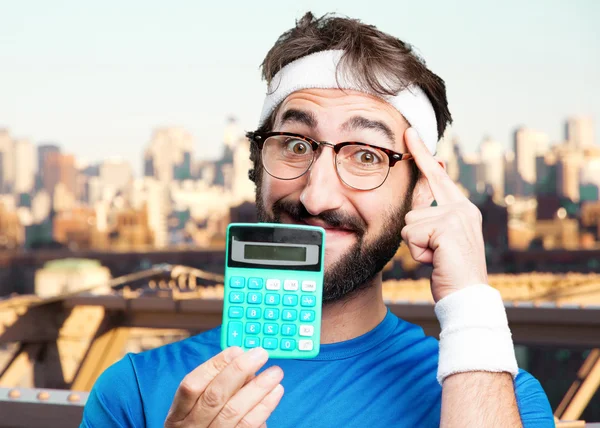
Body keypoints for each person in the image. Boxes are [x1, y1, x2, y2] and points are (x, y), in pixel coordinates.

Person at [81, 12, 554, 428]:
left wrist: (470, 302)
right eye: (295, 144)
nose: (315, 194)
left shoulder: (495, 392)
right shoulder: (135, 393)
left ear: (423, 190)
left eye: (366, 155)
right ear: (257, 167)